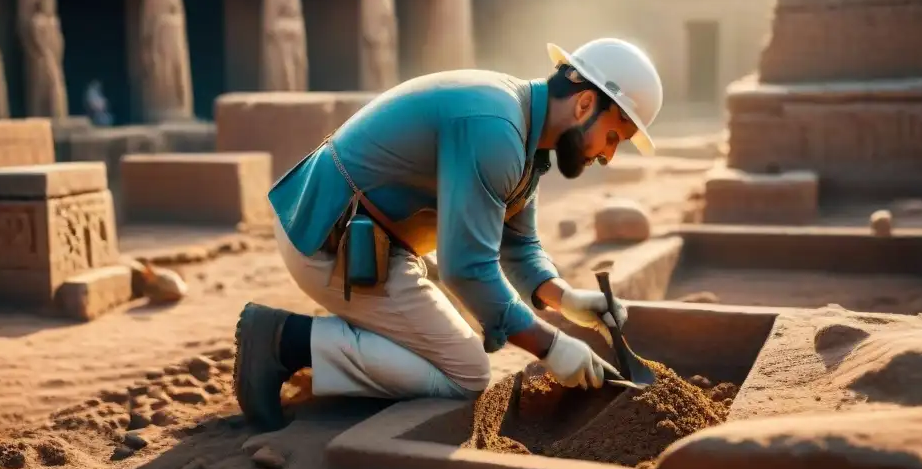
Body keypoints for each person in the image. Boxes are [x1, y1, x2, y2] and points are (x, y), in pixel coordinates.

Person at [234, 38, 664, 430]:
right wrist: (551, 346)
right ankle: (284, 341)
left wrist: (566, 299)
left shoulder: (525, 131)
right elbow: (467, 269)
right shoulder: (495, 129)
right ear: (586, 104)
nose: (607, 155)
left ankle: (352, 335)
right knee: (467, 373)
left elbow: (518, 245)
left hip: (372, 239)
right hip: (330, 240)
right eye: (613, 137)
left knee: (475, 322)